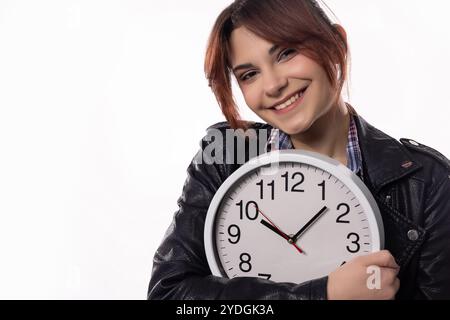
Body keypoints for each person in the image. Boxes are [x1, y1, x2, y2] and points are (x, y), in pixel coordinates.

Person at [147, 0, 450, 300]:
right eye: (249, 74)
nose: (273, 85)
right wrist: (324, 293)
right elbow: (169, 293)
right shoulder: (227, 152)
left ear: (337, 44)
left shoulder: (427, 182)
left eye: (286, 53)